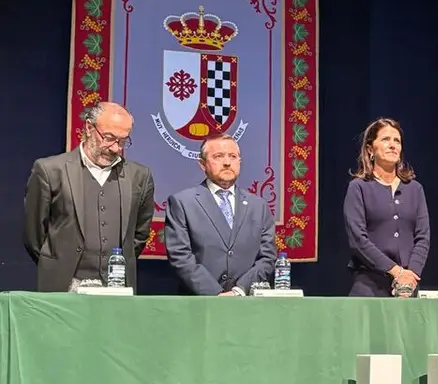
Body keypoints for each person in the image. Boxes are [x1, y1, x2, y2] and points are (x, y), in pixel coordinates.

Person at [23, 101, 155, 292]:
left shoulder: (140, 176)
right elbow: (34, 235)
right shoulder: (50, 170)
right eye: (109, 138)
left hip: (117, 288)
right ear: (89, 128)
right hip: (64, 287)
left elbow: (139, 235)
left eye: (123, 141)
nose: (115, 148)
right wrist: (57, 264)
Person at [164, 134, 276, 295]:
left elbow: (267, 258)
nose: (227, 162)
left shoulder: (258, 206)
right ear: (202, 164)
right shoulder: (182, 203)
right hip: (200, 306)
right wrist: (216, 294)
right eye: (218, 156)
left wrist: (239, 290)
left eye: (233, 156)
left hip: (247, 303)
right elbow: (180, 256)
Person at [343, 118, 430, 297]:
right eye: (385, 139)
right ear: (370, 149)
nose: (392, 145)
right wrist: (396, 271)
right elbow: (358, 240)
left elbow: (423, 237)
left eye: (396, 141)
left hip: (408, 287)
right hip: (369, 286)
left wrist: (410, 275)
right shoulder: (359, 187)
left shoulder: (415, 189)